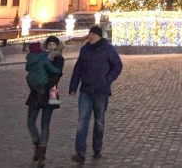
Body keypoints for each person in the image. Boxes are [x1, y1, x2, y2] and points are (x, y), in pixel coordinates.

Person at [69, 26, 123, 164]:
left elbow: (117, 65)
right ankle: (80, 152)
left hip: (101, 91)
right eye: (90, 34)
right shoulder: (84, 50)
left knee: (99, 122)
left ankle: (97, 148)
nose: (90, 36)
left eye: (93, 34)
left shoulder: (108, 49)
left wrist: (108, 79)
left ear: (99, 36)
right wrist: (73, 86)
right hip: (86, 90)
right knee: (82, 121)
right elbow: (78, 69)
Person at [26, 36, 65, 167]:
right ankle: (36, 144)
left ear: (57, 46)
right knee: (30, 121)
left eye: (53, 45)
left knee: (45, 124)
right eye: (49, 45)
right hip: (36, 92)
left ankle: (42, 152)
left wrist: (44, 86)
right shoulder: (39, 57)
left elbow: (57, 75)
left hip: (50, 92)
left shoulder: (59, 59)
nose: (51, 47)